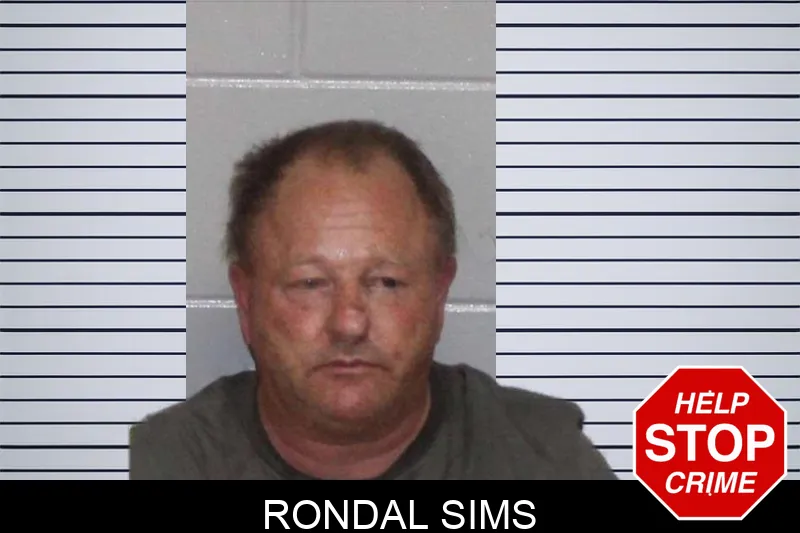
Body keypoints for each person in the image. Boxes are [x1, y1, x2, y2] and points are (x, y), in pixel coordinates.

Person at [129, 120, 617, 480]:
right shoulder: (158, 464)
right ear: (245, 299)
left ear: (440, 292)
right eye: (310, 283)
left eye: (386, 282)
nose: (349, 323)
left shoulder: (545, 462)